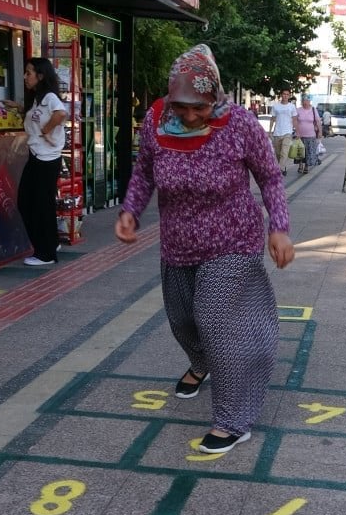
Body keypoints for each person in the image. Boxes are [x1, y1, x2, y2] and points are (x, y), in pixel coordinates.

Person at [116, 44, 295, 454]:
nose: (193, 115)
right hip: (178, 243)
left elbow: (270, 178)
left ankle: (234, 420)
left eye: (201, 105)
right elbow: (144, 171)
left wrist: (279, 228)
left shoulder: (240, 124)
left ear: (214, 95)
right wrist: (130, 210)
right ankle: (201, 363)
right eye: (183, 106)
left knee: (217, 320)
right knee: (183, 320)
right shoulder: (156, 123)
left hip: (234, 240)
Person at [16, 57, 67, 266]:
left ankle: (45, 254)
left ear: (41, 75)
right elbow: (38, 117)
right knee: (35, 203)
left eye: (29, 72)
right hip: (37, 157)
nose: (25, 76)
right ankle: (50, 243)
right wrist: (19, 108)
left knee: (34, 204)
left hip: (46, 159)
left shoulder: (49, 97)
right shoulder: (38, 99)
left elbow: (61, 113)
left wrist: (46, 130)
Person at [268, 89, 296, 176]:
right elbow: (272, 119)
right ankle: (282, 167)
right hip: (277, 132)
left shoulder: (292, 106)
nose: (285, 96)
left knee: (284, 152)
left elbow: (295, 119)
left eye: (287, 94)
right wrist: (270, 131)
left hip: (288, 132)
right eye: (284, 94)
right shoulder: (276, 106)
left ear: (289, 96)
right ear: (281, 95)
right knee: (278, 153)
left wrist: (297, 131)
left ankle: (279, 169)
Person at [294, 96, 322, 173]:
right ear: (302, 102)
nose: (305, 103)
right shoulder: (298, 110)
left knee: (308, 152)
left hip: (311, 135)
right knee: (300, 152)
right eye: (304, 101)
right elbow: (294, 121)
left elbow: (318, 121)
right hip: (300, 135)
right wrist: (296, 132)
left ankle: (306, 166)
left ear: (309, 102)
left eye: (307, 101)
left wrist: (320, 132)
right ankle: (300, 165)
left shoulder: (313, 110)